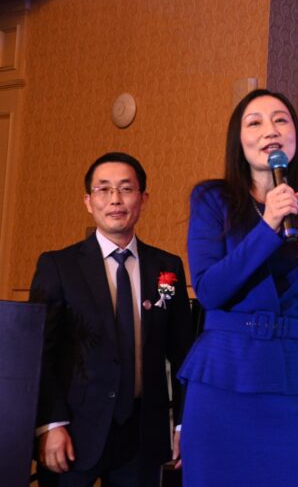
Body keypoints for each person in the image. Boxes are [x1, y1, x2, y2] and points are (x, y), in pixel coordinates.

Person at [177, 88, 298, 486]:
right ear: (239, 140)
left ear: (295, 136)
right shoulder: (212, 199)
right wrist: (268, 224)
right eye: (255, 122)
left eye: (281, 120)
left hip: (288, 385)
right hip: (224, 378)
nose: (270, 130)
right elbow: (209, 290)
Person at [30, 152, 194, 487]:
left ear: (143, 199)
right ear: (88, 202)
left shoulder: (167, 266)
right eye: (103, 190)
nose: (115, 199)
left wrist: (183, 424)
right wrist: (50, 424)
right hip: (73, 430)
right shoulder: (58, 266)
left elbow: (183, 354)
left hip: (142, 434)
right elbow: (39, 354)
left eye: (126, 189)